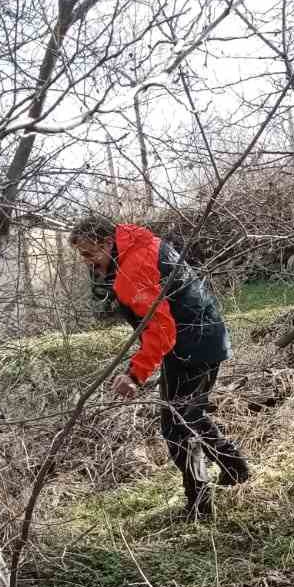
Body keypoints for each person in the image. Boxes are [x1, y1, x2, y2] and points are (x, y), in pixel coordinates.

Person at [68, 215, 248, 519]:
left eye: (89, 253)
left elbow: (161, 331)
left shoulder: (132, 270)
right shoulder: (141, 243)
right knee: (191, 415)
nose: (87, 262)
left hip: (189, 347)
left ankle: (199, 507)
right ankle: (234, 469)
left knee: (176, 427)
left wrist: (134, 374)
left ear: (106, 242)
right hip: (206, 337)